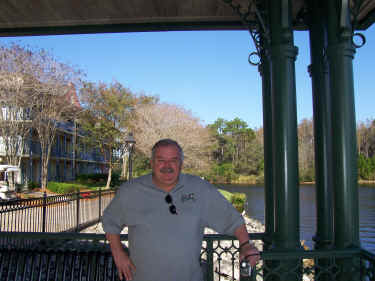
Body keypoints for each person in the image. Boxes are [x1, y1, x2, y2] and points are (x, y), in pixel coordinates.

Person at [102, 139, 260, 281]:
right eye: (161, 160)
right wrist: (118, 253)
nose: (167, 166)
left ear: (181, 164)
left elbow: (232, 220)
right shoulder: (131, 191)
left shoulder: (200, 189)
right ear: (151, 163)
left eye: (173, 160)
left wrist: (245, 244)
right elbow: (110, 221)